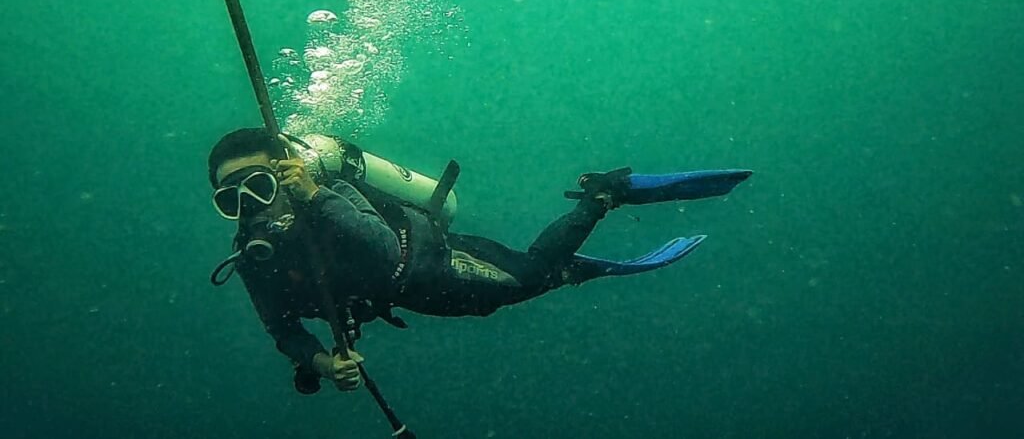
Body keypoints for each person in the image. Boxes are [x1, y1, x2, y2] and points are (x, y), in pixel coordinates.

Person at [207, 127, 752, 393]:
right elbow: (282, 329)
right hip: (405, 295)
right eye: (230, 199)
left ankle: (605, 193)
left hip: (426, 263)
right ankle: (565, 270)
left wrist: (314, 198)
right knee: (489, 304)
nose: (249, 208)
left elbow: (376, 249)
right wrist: (324, 363)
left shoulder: (325, 196)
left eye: (257, 186)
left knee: (524, 280)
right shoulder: (256, 257)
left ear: (285, 174)